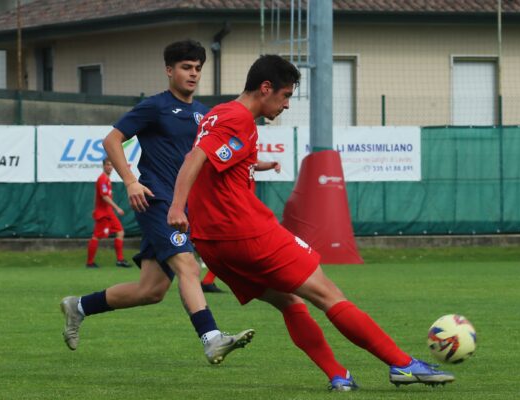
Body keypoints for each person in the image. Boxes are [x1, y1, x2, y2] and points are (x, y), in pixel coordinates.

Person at [167, 54, 455, 390]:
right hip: (246, 232)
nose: (287, 105)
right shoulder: (239, 118)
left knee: (289, 301)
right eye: (286, 95)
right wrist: (176, 207)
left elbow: (217, 161)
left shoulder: (218, 114)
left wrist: (254, 165)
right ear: (265, 88)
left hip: (214, 245)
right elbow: (195, 158)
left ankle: (339, 375)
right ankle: (403, 365)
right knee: (329, 294)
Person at [60, 40, 254, 365]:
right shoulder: (156, 106)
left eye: (197, 68)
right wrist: (131, 181)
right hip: (157, 200)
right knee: (188, 266)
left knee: (151, 291)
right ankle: (211, 338)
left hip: (184, 207)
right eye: (185, 67)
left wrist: (254, 165)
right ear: (169, 70)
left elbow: (208, 158)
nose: (192, 74)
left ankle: (78, 306)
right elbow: (111, 140)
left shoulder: (204, 114)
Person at [199, 159, 281, 293]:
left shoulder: (246, 148)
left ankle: (208, 281)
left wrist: (270, 165)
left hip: (244, 205)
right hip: (236, 207)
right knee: (250, 246)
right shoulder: (233, 146)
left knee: (241, 248)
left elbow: (253, 164)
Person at [86, 157, 131, 268]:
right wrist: (117, 208)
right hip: (104, 214)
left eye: (111, 165)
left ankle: (120, 260)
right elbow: (104, 196)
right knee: (96, 236)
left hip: (108, 212)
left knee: (120, 232)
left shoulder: (106, 179)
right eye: (108, 165)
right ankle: (90, 263)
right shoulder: (102, 179)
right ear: (103, 166)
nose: (110, 167)